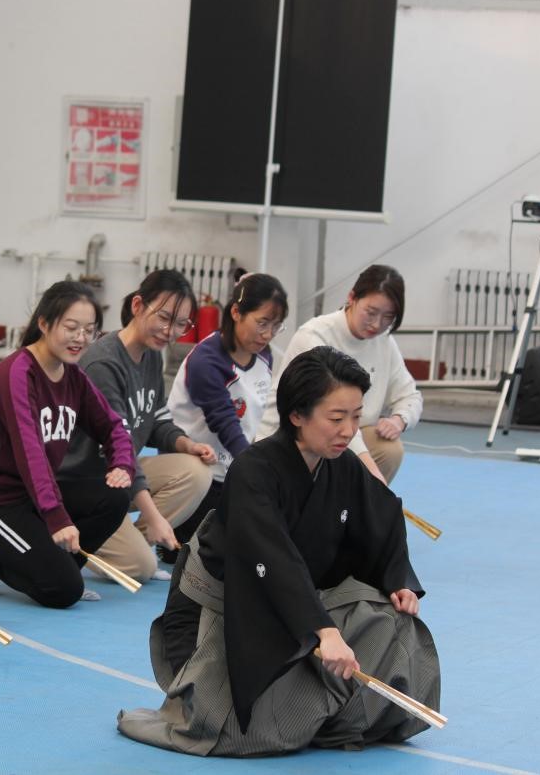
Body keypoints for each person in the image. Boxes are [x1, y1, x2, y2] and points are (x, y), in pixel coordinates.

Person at [117, 346, 439, 757]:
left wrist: (397, 581)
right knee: (253, 732)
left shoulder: (341, 465)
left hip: (297, 605)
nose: (348, 431)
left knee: (393, 622)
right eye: (336, 418)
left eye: (356, 417)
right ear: (297, 415)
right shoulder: (254, 471)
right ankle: (305, 700)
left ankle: (323, 705)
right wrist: (324, 631)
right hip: (227, 615)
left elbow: (382, 518)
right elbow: (271, 559)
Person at [0, 280, 135, 607]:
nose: (81, 338)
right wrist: (57, 517)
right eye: (71, 327)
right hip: (2, 502)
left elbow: (112, 425)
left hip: (39, 496)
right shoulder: (17, 372)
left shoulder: (73, 376)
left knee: (115, 497)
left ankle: (62, 568)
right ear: (45, 324)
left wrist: (122, 462)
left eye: (89, 330)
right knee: (63, 592)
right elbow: (30, 451)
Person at [56, 270, 215, 582]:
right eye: (164, 317)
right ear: (138, 305)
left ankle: (133, 543)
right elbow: (120, 450)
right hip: (80, 485)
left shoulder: (151, 355)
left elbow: (156, 418)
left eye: (181, 324)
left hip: (116, 479)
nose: (170, 331)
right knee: (140, 568)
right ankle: (68, 532)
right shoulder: (104, 363)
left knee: (196, 471)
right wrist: (154, 517)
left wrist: (187, 444)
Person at [258, 264, 421, 484]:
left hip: (344, 433)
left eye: (388, 317)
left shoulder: (384, 342)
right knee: (340, 437)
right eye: (371, 312)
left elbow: (410, 395)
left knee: (389, 449)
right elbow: (330, 419)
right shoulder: (314, 336)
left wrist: (399, 419)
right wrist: (374, 476)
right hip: (302, 434)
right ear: (351, 298)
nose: (377, 324)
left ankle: (356, 502)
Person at [164, 273, 287, 550]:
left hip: (234, 467)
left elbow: (259, 417)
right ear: (236, 313)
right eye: (262, 323)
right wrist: (256, 474)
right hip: (198, 475)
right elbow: (226, 423)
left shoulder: (264, 354)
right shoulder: (206, 360)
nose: (268, 334)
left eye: (277, 326)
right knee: (199, 552)